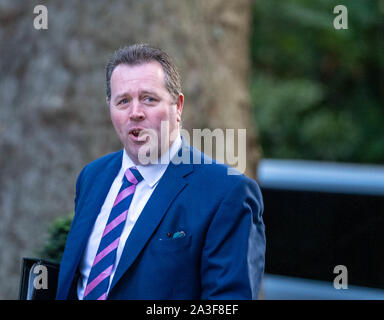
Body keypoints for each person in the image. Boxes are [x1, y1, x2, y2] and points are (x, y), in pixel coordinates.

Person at [56, 44, 265, 300]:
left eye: (149, 99)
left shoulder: (227, 192)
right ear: (110, 108)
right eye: (123, 101)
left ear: (177, 106)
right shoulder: (92, 177)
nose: (135, 113)